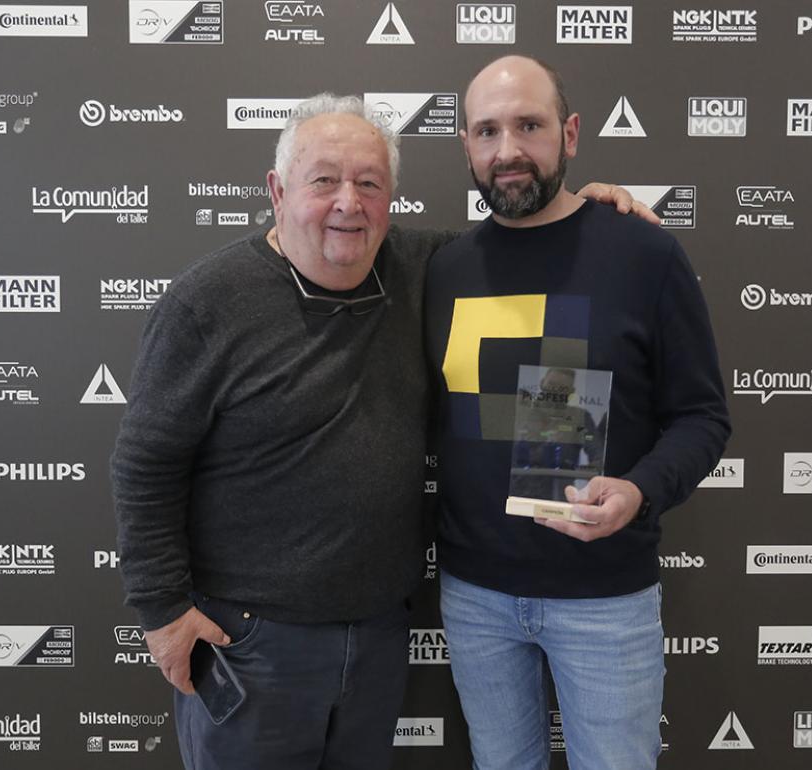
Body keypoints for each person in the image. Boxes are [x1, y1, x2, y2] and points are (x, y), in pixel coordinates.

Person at [111, 92, 651, 770]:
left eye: (370, 184)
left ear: (391, 200)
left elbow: (526, 250)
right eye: (325, 181)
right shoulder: (206, 302)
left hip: (376, 636)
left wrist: (581, 215)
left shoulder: (427, 271)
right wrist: (161, 611)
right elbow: (145, 465)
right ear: (277, 191)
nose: (348, 202)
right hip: (250, 643)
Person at [424, 56, 731, 770]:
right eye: (488, 131)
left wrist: (639, 489)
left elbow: (702, 417)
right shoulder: (442, 268)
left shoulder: (644, 253)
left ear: (569, 134)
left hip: (603, 598)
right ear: (464, 146)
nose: (508, 151)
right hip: (475, 598)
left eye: (529, 126)